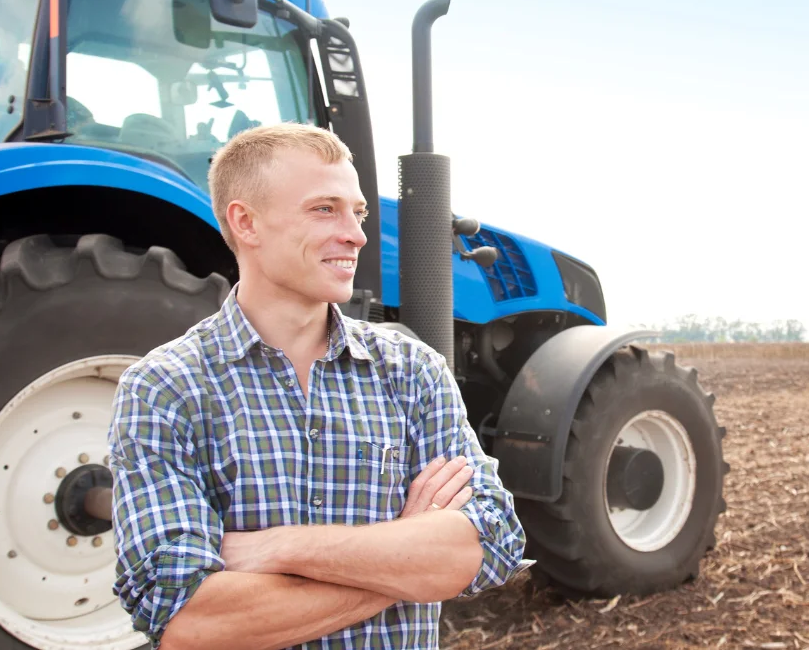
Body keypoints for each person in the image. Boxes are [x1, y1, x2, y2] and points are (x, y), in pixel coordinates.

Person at [107, 122, 528, 650]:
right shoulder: (165, 390)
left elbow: (490, 544)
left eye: (358, 212)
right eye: (324, 209)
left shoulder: (411, 371)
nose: (356, 234)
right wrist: (405, 563)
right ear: (246, 223)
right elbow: (191, 622)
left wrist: (280, 547)